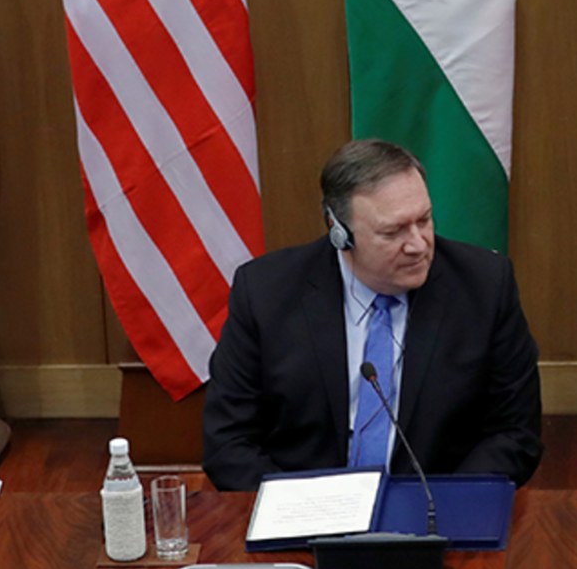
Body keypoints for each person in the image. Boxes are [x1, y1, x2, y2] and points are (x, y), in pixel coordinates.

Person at [202, 139, 543, 491]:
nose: (418, 245)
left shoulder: (484, 287)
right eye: (393, 231)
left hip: (438, 517)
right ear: (339, 232)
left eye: (424, 220)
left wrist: (445, 505)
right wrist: (302, 510)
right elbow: (228, 441)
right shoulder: (265, 292)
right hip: (301, 519)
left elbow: (515, 434)